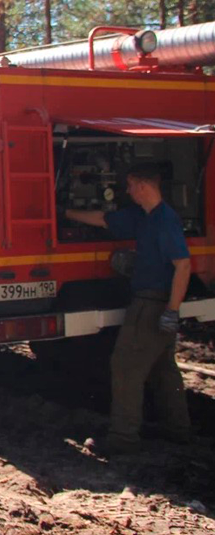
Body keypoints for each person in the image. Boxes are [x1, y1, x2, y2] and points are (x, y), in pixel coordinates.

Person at [65, 163, 192, 455]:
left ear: (144, 187)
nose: (127, 190)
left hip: (152, 303)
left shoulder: (165, 221)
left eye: (132, 185)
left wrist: (171, 310)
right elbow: (104, 219)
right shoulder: (144, 217)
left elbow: (182, 265)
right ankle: (178, 430)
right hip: (155, 302)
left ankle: (123, 438)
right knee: (163, 368)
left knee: (125, 367)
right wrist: (67, 213)